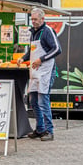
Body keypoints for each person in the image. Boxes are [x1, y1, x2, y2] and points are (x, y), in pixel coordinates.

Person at [18, 8, 62, 141]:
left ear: (42, 19)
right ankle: (40, 129)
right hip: (35, 72)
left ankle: (49, 131)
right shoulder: (33, 33)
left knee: (43, 101)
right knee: (33, 101)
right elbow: (32, 51)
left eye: (36, 19)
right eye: (32, 19)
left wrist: (40, 60)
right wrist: (23, 57)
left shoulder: (47, 31)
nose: (34, 22)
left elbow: (57, 49)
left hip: (45, 72)